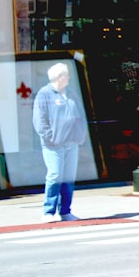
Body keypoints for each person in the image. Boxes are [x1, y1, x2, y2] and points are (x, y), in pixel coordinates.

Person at [32, 62, 87, 222]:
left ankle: (65, 211)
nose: (68, 77)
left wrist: (80, 134)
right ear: (58, 77)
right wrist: (50, 137)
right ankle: (48, 212)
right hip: (53, 145)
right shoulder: (44, 94)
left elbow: (80, 114)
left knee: (68, 177)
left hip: (72, 143)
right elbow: (40, 119)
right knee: (55, 175)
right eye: (65, 74)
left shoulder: (71, 93)